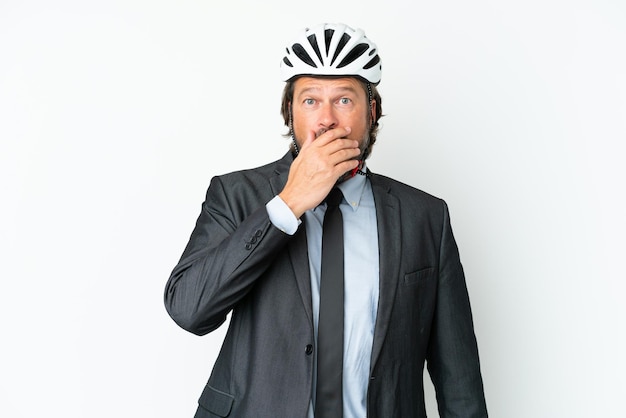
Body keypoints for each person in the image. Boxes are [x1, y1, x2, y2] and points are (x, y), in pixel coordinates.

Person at [164, 22, 488, 418]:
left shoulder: (425, 217)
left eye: (344, 101)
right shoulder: (236, 196)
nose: (326, 119)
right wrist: (288, 203)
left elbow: (460, 381)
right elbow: (189, 310)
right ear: (290, 112)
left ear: (372, 111)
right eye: (310, 100)